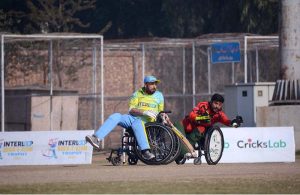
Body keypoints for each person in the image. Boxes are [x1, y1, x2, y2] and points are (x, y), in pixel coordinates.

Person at [85, 75, 164, 160]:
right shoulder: (137, 94)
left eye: (155, 84)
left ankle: (145, 151)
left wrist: (163, 117)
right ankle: (96, 138)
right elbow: (131, 110)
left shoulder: (159, 95)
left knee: (137, 123)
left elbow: (161, 112)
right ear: (145, 84)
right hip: (133, 118)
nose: (154, 86)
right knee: (116, 116)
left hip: (149, 123)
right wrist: (144, 112)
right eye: (152, 84)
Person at [175, 93, 243, 148]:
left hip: (200, 130)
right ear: (211, 102)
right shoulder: (203, 105)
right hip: (190, 124)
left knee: (201, 129)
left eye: (219, 104)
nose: (217, 106)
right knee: (182, 125)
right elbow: (191, 115)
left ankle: (187, 147)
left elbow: (226, 121)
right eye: (215, 103)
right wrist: (201, 118)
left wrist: (233, 123)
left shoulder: (219, 114)